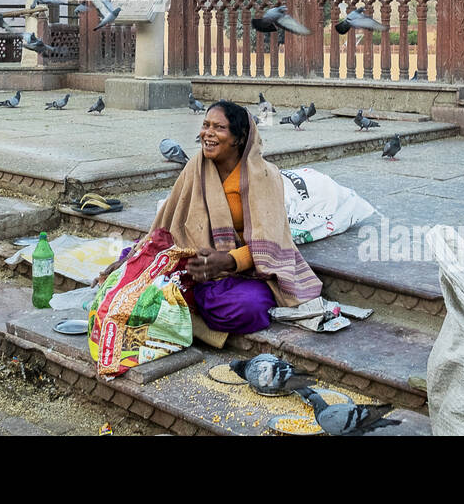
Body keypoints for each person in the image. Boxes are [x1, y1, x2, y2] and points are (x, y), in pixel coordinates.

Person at [95, 100, 322, 335]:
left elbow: (271, 242)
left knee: (245, 308)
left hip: (248, 269)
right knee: (139, 275)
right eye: (205, 125)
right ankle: (184, 299)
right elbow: (168, 221)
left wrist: (227, 261)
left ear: (239, 138)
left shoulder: (264, 175)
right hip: (196, 260)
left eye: (219, 127)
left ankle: (186, 304)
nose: (207, 134)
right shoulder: (196, 166)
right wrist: (132, 260)